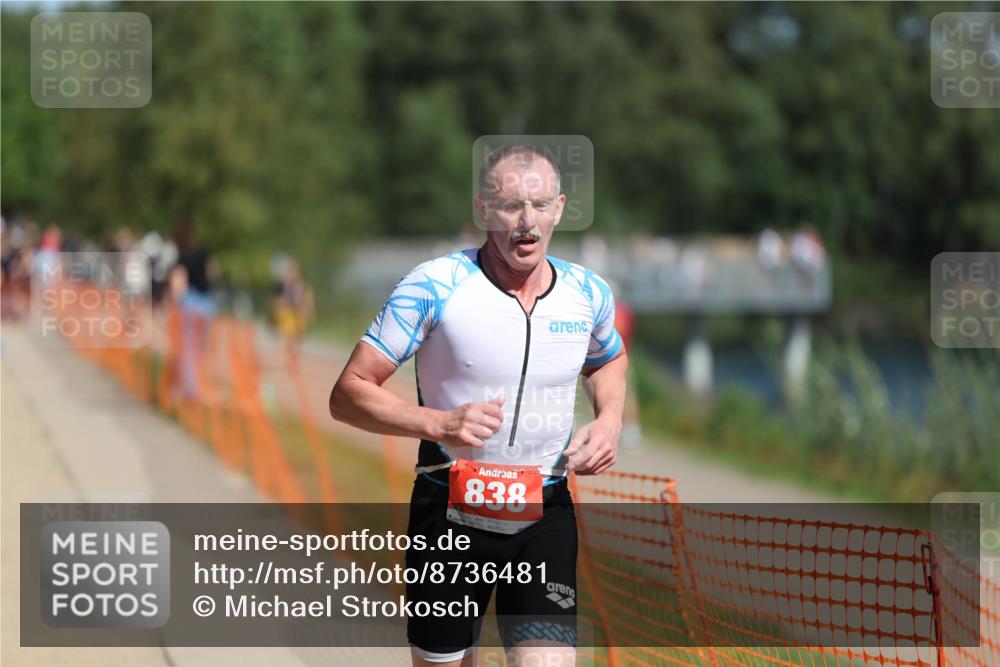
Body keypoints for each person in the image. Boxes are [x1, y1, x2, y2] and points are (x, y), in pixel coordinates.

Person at [330, 144, 628, 667]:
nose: (526, 221)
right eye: (511, 205)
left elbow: (608, 360)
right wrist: (438, 421)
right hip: (450, 511)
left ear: (560, 208)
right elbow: (349, 392)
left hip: (545, 511)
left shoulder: (588, 293)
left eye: (539, 205)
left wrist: (608, 420)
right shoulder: (434, 285)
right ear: (483, 210)